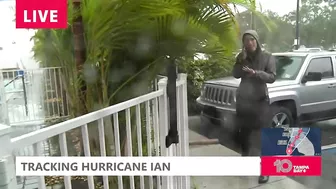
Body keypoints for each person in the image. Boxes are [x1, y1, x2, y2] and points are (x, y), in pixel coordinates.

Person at [232, 30, 276, 184]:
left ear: (256, 41)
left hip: (260, 101)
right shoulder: (242, 57)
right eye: (246, 40)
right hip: (244, 102)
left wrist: (256, 73)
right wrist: (240, 61)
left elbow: (272, 77)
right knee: (244, 135)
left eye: (251, 39)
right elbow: (235, 74)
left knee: (263, 137)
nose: (249, 43)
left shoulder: (267, 57)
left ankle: (265, 170)